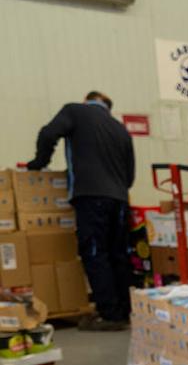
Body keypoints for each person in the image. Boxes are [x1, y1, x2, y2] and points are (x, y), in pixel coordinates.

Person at [27, 90, 135, 331]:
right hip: (119, 200)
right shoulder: (120, 129)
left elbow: (48, 133)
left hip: (91, 195)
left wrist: (39, 163)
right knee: (118, 254)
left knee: (95, 253)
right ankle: (125, 310)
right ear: (108, 107)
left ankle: (109, 315)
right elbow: (130, 175)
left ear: (87, 100)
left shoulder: (74, 111)